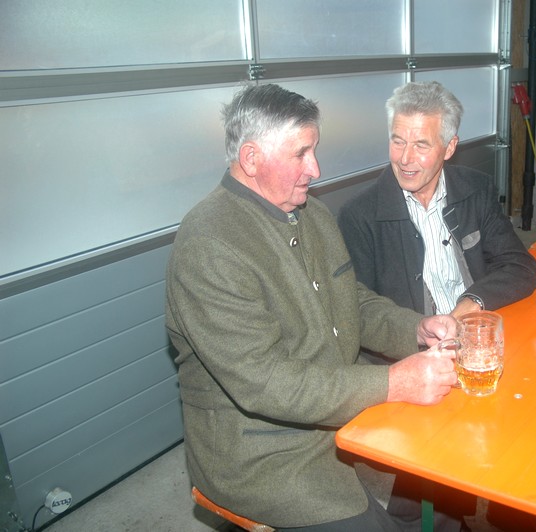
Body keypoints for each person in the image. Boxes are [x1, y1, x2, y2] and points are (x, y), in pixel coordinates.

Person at [165, 84, 460, 531]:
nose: (315, 169)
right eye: (301, 154)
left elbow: (351, 303)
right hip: (265, 455)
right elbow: (267, 383)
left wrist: (417, 329)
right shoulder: (209, 246)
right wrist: (393, 382)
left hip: (329, 417)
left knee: (450, 459)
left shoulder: (311, 214)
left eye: (314, 151)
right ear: (251, 159)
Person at [338, 81, 536, 320]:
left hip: (475, 327)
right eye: (398, 142)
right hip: (414, 341)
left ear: (450, 147)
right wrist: (421, 331)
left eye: (421, 145)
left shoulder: (475, 190)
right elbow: (361, 310)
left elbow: (519, 266)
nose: (405, 158)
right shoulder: (359, 216)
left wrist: (471, 303)